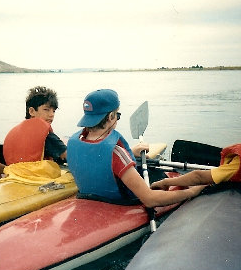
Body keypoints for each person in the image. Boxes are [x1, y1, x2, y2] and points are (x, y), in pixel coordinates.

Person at [67, 89, 205, 208]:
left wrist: (130, 153)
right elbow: (149, 199)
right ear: (111, 116)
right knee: (158, 175)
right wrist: (191, 193)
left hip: (93, 197)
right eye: (117, 115)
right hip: (121, 202)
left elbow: (97, 159)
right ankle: (172, 182)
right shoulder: (116, 152)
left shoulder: (74, 142)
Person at [151, 103, 241, 191]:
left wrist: (166, 182)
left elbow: (199, 177)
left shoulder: (239, 163)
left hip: (234, 177)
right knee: (184, 149)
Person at [3, 86, 67, 165]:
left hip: (14, 174)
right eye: (46, 109)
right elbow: (67, 156)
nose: (51, 115)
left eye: (53, 111)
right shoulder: (47, 136)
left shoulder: (16, 130)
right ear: (32, 111)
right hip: (35, 176)